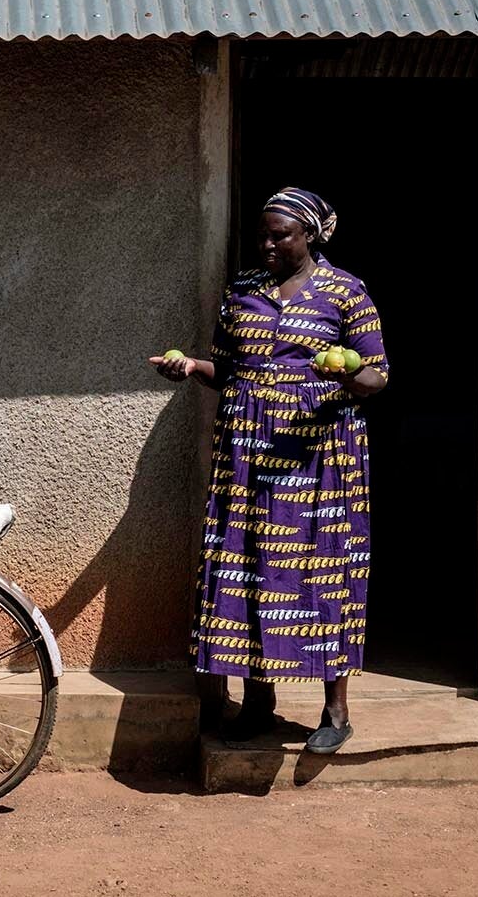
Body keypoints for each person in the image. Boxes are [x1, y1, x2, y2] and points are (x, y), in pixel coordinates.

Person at [153, 186, 391, 753]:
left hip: (320, 455)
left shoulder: (346, 292)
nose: (267, 244)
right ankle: (258, 703)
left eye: (279, 235)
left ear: (310, 235)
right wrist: (189, 367)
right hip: (249, 451)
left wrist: (345, 378)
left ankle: (335, 712)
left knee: (324, 571)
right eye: (261, 234)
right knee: (248, 567)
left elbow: (378, 376)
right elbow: (228, 368)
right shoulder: (242, 291)